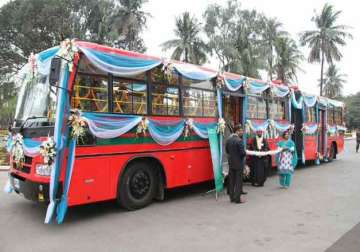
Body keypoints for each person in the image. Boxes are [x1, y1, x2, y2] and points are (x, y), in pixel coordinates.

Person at [225, 124, 247, 203]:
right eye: (241, 131)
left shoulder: (229, 140)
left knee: (232, 181)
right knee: (238, 182)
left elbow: (227, 151)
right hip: (239, 164)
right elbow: (243, 153)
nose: (242, 132)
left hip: (231, 164)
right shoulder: (239, 141)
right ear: (237, 131)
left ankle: (232, 198)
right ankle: (237, 199)